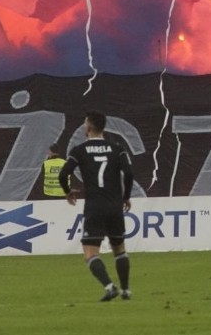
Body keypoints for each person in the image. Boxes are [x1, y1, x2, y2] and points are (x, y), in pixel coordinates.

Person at [59, 110, 134, 302]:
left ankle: (110, 287)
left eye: (85, 124)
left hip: (94, 207)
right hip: (115, 206)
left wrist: (67, 191)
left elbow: (63, 173)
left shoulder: (79, 150)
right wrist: (125, 197)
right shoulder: (117, 148)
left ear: (89, 127)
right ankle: (125, 290)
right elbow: (129, 173)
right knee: (119, 249)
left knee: (90, 253)